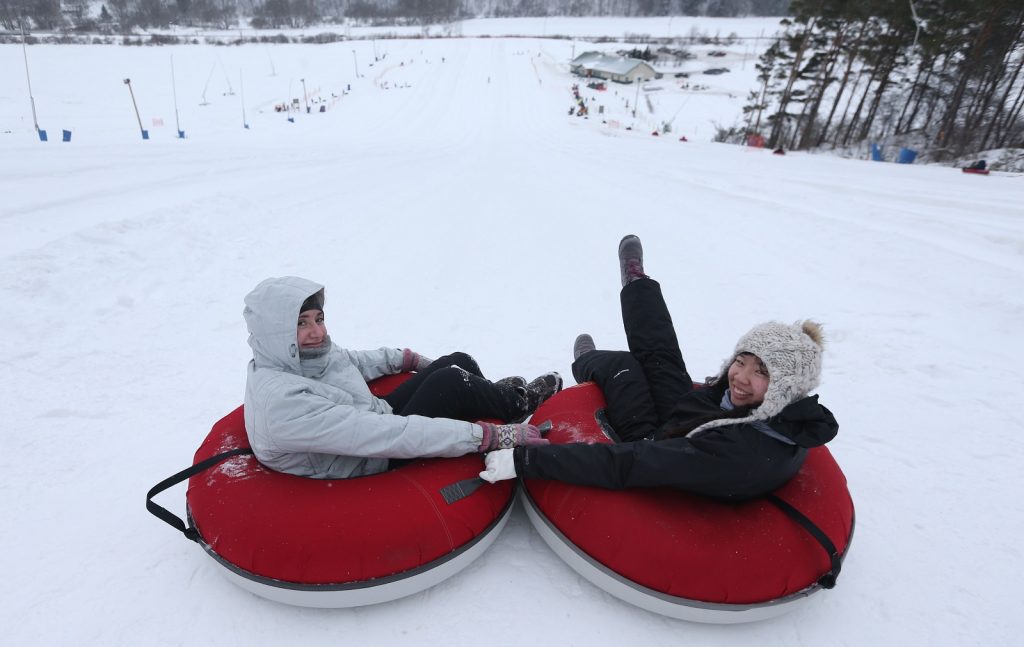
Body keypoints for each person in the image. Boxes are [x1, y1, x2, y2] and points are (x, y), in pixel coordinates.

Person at [481, 236, 838, 501]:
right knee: (661, 355)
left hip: (661, 442)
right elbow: (719, 392)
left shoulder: (736, 452)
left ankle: (585, 363)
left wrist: (524, 461)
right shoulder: (772, 408)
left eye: (760, 372)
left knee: (622, 366)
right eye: (740, 361)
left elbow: (630, 463)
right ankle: (637, 282)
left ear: (785, 386)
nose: (740, 377)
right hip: (694, 422)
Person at [243, 276, 562, 479]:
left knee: (457, 361)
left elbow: (347, 361)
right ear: (277, 332)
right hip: (365, 457)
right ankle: (517, 404)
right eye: (302, 323)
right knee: (451, 382)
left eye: (319, 318)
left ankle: (494, 401)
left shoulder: (300, 354)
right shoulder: (283, 405)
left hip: (369, 415)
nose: (317, 332)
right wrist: (486, 437)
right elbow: (384, 436)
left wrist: (406, 359)